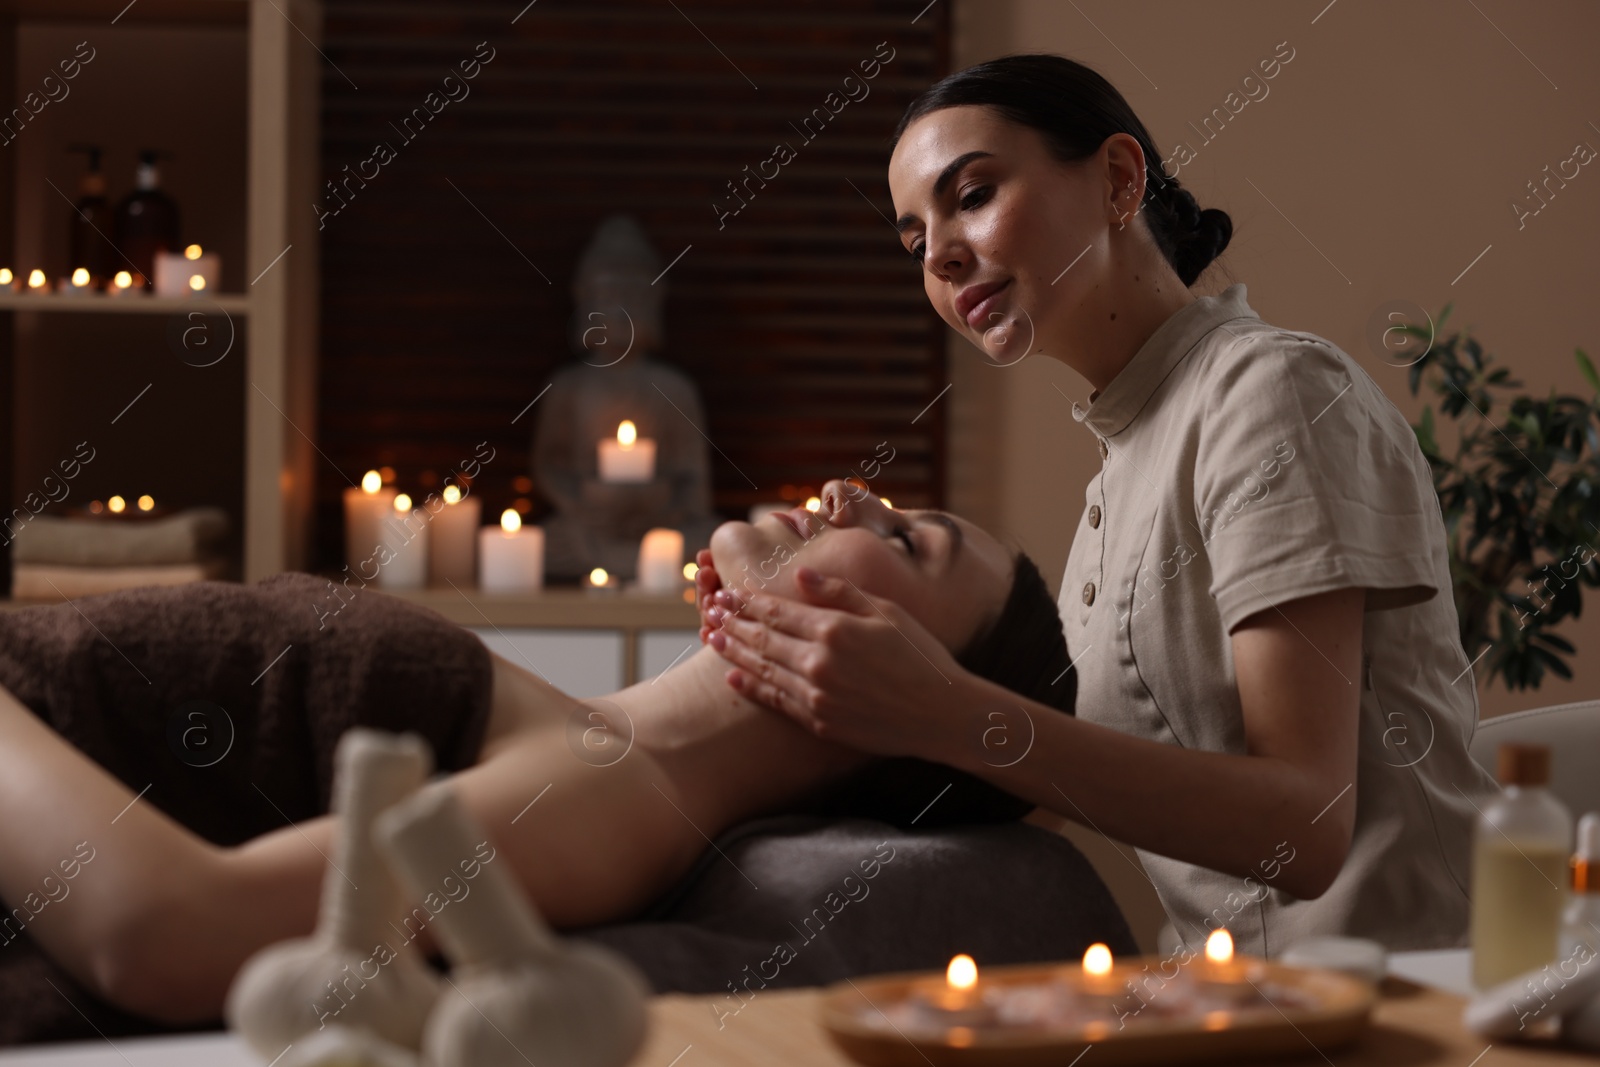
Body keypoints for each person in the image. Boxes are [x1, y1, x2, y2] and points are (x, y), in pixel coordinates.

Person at [695, 52, 1500, 957]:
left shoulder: (1272, 392)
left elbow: (1304, 827)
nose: (943, 253)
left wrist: (940, 706)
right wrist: (810, 639)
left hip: (1411, 997)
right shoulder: (1115, 486)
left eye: (971, 195)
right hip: (1238, 1006)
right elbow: (1058, 775)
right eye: (916, 243)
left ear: (1119, 179)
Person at [0, 489, 1084, 1028]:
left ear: (897, 688)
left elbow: (165, 932)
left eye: (901, 540)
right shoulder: (593, 741)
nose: (854, 493)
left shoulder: (608, 800)